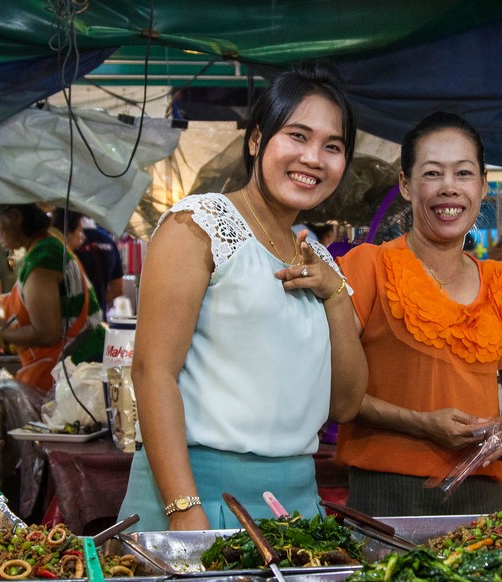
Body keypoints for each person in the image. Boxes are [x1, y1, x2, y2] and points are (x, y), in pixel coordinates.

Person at [117, 62, 367, 532]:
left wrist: (335, 295)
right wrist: (183, 507)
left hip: (295, 504)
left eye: (332, 147)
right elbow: (153, 371)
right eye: (297, 136)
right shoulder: (199, 225)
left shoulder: (317, 256)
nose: (314, 158)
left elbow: (346, 404)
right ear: (256, 140)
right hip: (199, 493)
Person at [335, 111, 502, 516]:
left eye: (463, 174)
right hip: (386, 496)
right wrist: (419, 423)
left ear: (481, 186)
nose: (449, 188)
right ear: (406, 186)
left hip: (483, 497)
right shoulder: (367, 267)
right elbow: (334, 395)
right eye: (432, 174)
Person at [0, 204, 106, 393]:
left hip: (77, 375)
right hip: (78, 370)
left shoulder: (43, 259)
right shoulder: (45, 247)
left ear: (15, 216)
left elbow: (47, 334)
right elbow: (50, 315)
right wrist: (3, 323)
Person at [51, 209, 124, 314]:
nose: (82, 236)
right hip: (97, 319)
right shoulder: (107, 241)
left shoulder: (57, 256)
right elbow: (118, 288)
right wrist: (94, 306)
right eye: (79, 231)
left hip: (68, 321)